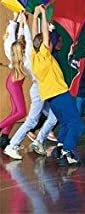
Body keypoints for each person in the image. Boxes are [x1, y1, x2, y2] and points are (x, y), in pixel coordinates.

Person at [30, 5, 84, 166]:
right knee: (77, 124)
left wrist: (35, 15)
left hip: (51, 97)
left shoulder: (34, 56)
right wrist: (44, 15)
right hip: (60, 93)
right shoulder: (45, 55)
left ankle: (60, 147)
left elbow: (36, 37)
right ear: (46, 46)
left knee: (66, 122)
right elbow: (44, 37)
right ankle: (68, 149)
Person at [3, 11, 57, 160]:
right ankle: (12, 145)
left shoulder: (24, 56)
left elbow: (27, 36)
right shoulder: (30, 57)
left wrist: (23, 22)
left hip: (41, 88)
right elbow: (29, 36)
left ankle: (38, 140)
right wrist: (26, 22)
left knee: (53, 116)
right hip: (39, 89)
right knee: (31, 119)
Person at [0, 12, 28, 150]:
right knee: (21, 112)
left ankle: (4, 138)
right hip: (14, 82)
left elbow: (20, 37)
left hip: (14, 80)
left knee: (15, 111)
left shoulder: (16, 45)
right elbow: (13, 33)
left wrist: (21, 21)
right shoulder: (12, 46)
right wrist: (17, 18)